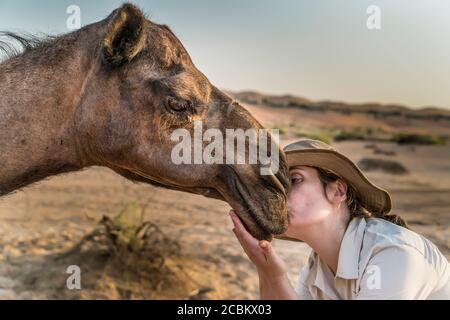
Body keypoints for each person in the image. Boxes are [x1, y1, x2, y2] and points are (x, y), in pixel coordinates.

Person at [229, 139, 449, 299]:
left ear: (338, 191)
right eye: (275, 185)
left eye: (294, 180)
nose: (278, 194)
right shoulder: (318, 265)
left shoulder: (393, 253)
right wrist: (270, 273)